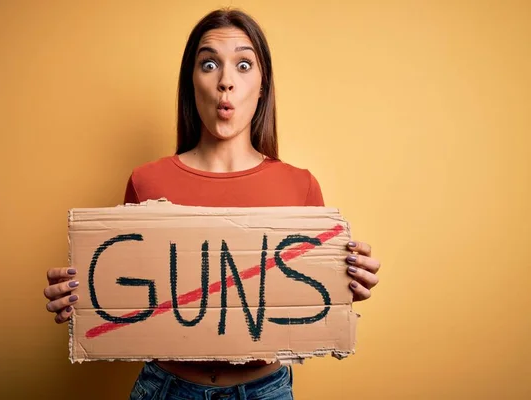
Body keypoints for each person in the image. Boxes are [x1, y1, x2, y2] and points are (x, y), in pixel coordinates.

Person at [44, 8, 381, 399]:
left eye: (242, 65)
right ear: (192, 82)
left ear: (262, 85)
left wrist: (345, 281)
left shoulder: (300, 187)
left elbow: (310, 300)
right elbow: (128, 297)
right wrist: (78, 295)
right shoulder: (147, 182)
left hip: (264, 390)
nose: (226, 82)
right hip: (166, 389)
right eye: (209, 64)